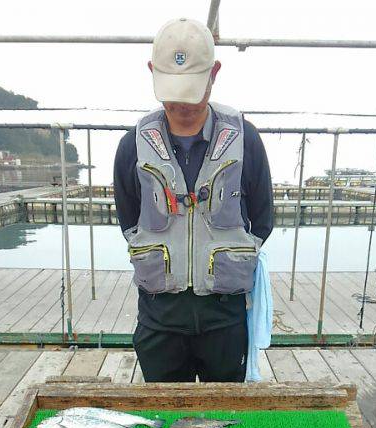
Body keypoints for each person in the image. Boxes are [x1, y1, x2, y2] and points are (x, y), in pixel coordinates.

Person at [114, 17, 273, 382]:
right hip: (159, 320)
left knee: (227, 412)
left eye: (192, 89)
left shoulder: (245, 139)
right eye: (172, 90)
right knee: (164, 413)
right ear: (152, 72)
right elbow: (128, 222)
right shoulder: (131, 147)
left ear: (214, 73)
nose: (182, 103)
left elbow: (262, 220)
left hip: (225, 319)